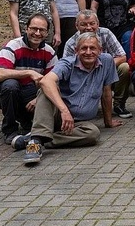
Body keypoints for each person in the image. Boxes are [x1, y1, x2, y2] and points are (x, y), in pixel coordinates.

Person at [21, 32, 122, 165]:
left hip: (78, 124)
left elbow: (107, 91)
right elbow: (46, 81)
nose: (88, 52)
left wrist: (108, 121)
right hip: (58, 116)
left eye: (92, 48)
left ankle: (39, 138)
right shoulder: (67, 63)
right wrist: (64, 111)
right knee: (45, 90)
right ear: (76, 51)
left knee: (93, 133)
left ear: (100, 51)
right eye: (83, 48)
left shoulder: (107, 61)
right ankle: (35, 142)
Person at [0, 14, 58, 145]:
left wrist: (38, 100)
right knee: (11, 86)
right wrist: (29, 72)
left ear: (47, 32)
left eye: (42, 30)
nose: (37, 33)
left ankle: (26, 121)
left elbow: (53, 82)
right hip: (1, 92)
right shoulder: (13, 45)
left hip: (28, 92)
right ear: (26, 29)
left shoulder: (49, 52)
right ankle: (9, 130)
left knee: (42, 95)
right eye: (33, 29)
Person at [63, 9, 132, 118]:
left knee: (125, 67)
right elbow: (67, 70)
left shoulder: (106, 33)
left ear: (98, 23)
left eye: (92, 23)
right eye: (84, 24)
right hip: (82, 78)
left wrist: (102, 69)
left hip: (105, 72)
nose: (88, 27)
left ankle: (119, 104)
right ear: (76, 26)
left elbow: (122, 56)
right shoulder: (71, 43)